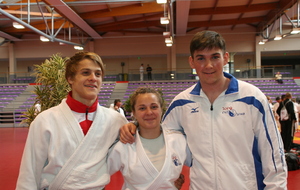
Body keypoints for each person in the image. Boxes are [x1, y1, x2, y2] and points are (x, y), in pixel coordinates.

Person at [120, 30, 287, 189]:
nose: (208, 65)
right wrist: (136, 126)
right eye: (201, 58)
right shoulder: (182, 103)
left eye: (215, 57)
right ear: (191, 62)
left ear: (225, 58)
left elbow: (273, 153)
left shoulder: (252, 98)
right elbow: (161, 138)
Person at [16, 52, 128, 189]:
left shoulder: (115, 120)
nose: (93, 78)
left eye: (98, 74)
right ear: (70, 78)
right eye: (86, 73)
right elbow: (30, 172)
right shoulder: (45, 120)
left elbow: (132, 160)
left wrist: (135, 129)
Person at [107, 87, 188, 189]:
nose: (149, 112)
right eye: (142, 108)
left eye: (154, 107)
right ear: (134, 113)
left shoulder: (179, 140)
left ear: (161, 109)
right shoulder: (124, 145)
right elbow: (98, 174)